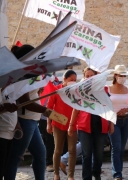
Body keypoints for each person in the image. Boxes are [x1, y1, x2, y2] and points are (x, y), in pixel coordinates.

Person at [5, 45, 54, 180]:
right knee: (16, 157)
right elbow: (24, 101)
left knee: (40, 154)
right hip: (24, 119)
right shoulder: (21, 75)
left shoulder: (28, 73)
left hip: (32, 119)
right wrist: (47, 111)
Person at [68, 67, 114, 180]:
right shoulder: (80, 91)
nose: (89, 78)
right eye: (87, 76)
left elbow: (109, 107)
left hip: (101, 126)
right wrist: (71, 125)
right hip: (84, 127)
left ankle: (96, 173)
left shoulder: (103, 90)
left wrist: (111, 123)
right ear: (84, 77)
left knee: (98, 155)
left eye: (91, 76)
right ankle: (86, 177)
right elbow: (76, 109)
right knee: (86, 154)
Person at [47, 70, 78, 180]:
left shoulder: (76, 92)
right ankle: (56, 174)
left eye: (75, 80)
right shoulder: (56, 91)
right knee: (58, 149)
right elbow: (49, 108)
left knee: (72, 150)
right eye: (71, 80)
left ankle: (71, 175)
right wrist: (48, 124)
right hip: (58, 124)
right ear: (64, 79)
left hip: (73, 124)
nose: (73, 82)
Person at [107, 65, 128, 180]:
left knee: (121, 148)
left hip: (126, 120)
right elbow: (106, 106)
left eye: (124, 76)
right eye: (120, 75)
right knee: (116, 147)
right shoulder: (108, 89)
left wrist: (127, 109)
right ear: (115, 76)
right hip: (114, 120)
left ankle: (119, 170)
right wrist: (111, 122)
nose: (122, 77)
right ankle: (117, 173)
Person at [0, 93, 18, 179]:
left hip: (9, 133)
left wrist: (17, 123)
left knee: (3, 169)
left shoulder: (9, 88)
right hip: (1, 133)